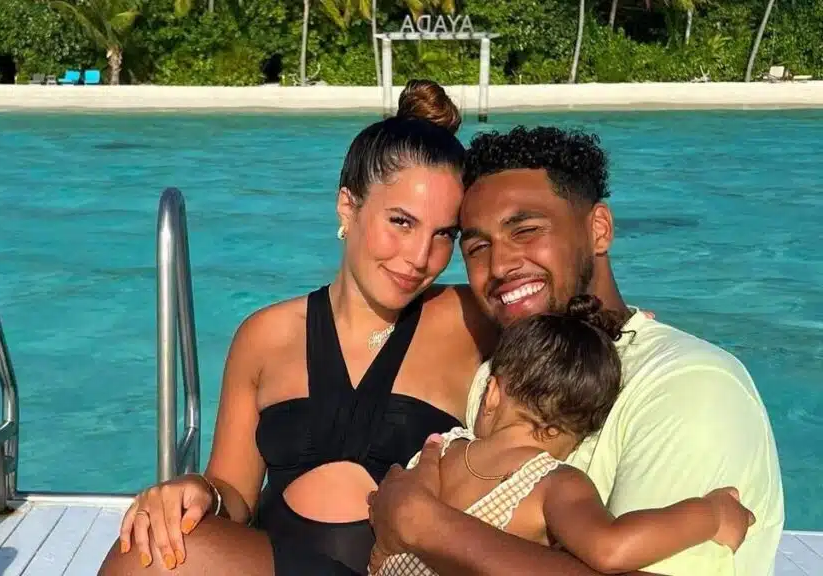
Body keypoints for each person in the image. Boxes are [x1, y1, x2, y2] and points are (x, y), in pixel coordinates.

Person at [98, 80, 493, 576]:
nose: (419, 257)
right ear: (347, 206)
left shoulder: (469, 320)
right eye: (401, 222)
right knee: (147, 548)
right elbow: (234, 493)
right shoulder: (265, 336)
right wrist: (198, 490)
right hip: (275, 560)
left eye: (443, 235)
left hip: (399, 568)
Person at [366, 126, 785, 576]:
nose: (500, 265)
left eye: (526, 230)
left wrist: (428, 526)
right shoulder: (503, 370)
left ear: (599, 230)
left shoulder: (687, 386)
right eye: (478, 247)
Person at [371, 294, 755, 576]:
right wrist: (712, 514)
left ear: (493, 394)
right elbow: (610, 549)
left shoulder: (441, 450)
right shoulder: (551, 483)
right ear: (584, 430)